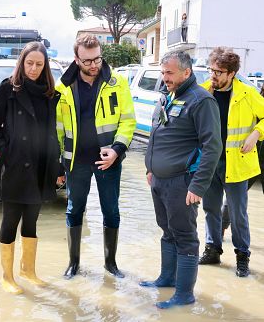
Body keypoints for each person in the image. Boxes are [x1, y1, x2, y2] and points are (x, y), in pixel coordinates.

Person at [142, 50, 222, 309]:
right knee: (167, 231)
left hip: (182, 183)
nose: (164, 77)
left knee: (185, 236)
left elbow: (212, 146)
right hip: (159, 180)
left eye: (170, 73)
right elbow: (158, 136)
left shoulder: (201, 101)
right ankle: (167, 279)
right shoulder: (168, 97)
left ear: (186, 72)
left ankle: (184, 294)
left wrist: (198, 186)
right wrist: (150, 168)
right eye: (163, 72)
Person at [56, 34, 136, 279]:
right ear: (76, 59)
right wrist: (59, 165)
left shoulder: (118, 82)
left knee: (111, 211)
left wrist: (117, 150)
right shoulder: (62, 87)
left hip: (108, 160)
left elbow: (128, 120)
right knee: (74, 210)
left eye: (97, 59)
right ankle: (74, 264)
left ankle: (110, 264)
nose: (93, 65)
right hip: (76, 161)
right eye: (87, 60)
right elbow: (56, 128)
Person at [0, 42, 60, 294]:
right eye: (30, 63)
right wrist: (6, 153)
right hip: (16, 165)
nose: (34, 68)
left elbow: (52, 132)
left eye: (39, 64)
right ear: (22, 62)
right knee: (10, 220)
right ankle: (7, 276)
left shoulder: (50, 92)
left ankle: (28, 270)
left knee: (32, 221)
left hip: (40, 166)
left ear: (45, 65)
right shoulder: (8, 88)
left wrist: (57, 166)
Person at [199, 47, 264, 277]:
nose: (213, 75)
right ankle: (213, 250)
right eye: (211, 69)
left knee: (238, 213)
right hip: (209, 163)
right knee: (210, 209)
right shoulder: (203, 91)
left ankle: (242, 256)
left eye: (218, 71)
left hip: (237, 163)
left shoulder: (248, 94)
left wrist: (256, 133)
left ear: (232, 73)